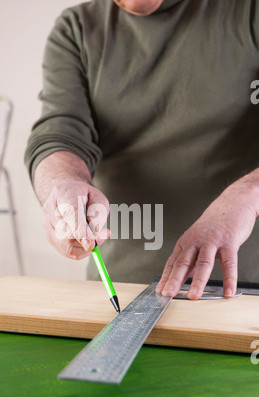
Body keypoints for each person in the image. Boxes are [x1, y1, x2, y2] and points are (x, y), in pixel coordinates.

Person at [25, 0, 259, 300]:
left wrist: (248, 194)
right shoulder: (77, 28)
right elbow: (60, 132)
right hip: (124, 290)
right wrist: (62, 185)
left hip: (245, 293)